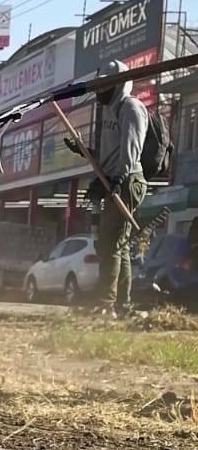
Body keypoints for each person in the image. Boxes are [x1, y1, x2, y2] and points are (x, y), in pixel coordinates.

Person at [67, 59, 148, 316]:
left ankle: (106, 304)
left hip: (128, 181)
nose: (99, 92)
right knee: (115, 246)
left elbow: (130, 151)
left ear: (118, 85)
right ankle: (120, 305)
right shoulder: (109, 111)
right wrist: (86, 152)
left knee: (111, 245)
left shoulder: (131, 108)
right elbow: (109, 154)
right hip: (113, 178)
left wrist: (118, 180)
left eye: (104, 87)